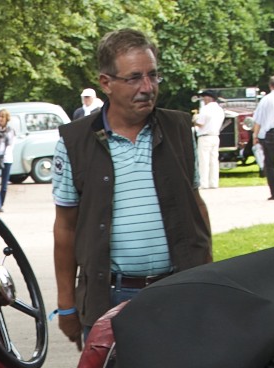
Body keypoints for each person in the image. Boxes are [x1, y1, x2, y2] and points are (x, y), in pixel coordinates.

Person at [51, 28, 211, 345]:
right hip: (111, 299)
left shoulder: (179, 130)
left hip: (178, 290)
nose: (147, 88)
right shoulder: (75, 142)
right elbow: (65, 228)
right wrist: (67, 305)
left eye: (153, 76)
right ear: (106, 83)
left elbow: (196, 208)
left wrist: (210, 278)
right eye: (135, 78)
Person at [192, 90, 226, 189]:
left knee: (203, 161)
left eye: (204, 97)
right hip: (215, 136)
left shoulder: (205, 109)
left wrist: (194, 119)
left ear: (208, 98)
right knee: (214, 161)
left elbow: (200, 123)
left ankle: (203, 183)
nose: (203, 99)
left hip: (205, 136)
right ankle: (214, 183)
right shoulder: (220, 109)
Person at [0, 107, 18, 211]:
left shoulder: (11, 131)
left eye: (3, 117)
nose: (0, 119)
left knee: (4, 185)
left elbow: (12, 145)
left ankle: (1, 203)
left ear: (6, 119)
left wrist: (5, 153)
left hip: (6, 158)